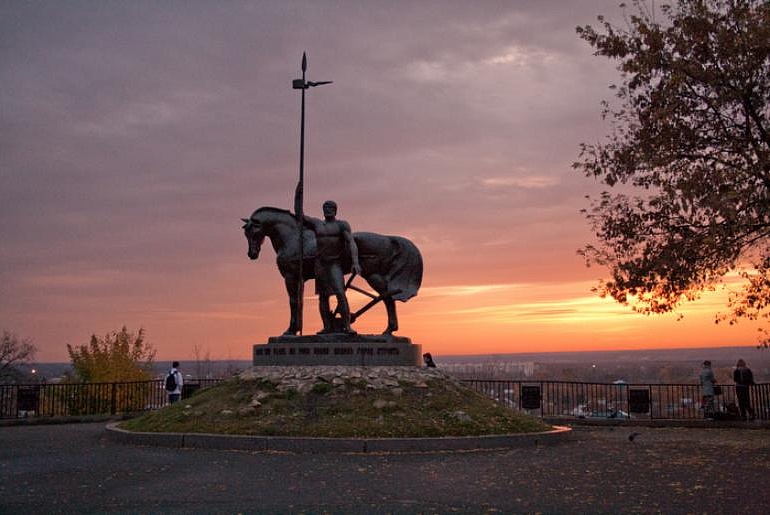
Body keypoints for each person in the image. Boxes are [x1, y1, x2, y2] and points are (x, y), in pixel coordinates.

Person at [303, 201, 361, 334]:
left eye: (331, 208)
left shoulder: (341, 225)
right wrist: (298, 196)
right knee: (323, 296)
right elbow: (301, 216)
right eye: (326, 208)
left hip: (334, 263)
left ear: (336, 210)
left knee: (340, 293)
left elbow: (351, 242)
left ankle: (347, 326)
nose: (328, 210)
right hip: (320, 264)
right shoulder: (317, 224)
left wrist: (355, 262)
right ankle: (327, 326)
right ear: (323, 210)